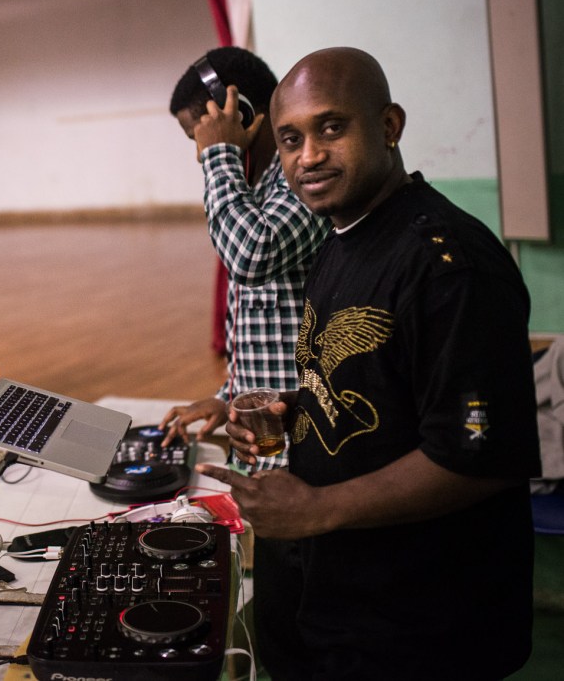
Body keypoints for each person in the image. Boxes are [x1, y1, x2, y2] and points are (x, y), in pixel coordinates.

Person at [201, 47, 541, 680]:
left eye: (331, 128)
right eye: (291, 139)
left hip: (420, 626)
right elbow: (382, 385)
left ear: (389, 126)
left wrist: (316, 509)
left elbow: (480, 457)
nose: (308, 156)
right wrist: (295, 408)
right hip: (342, 596)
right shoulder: (342, 237)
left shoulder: (450, 267)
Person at [158, 47, 328, 680]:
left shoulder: (298, 181)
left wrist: (218, 156)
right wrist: (227, 395)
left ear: (240, 111)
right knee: (279, 616)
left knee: (305, 621)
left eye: (197, 132)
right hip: (271, 443)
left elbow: (250, 256)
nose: (198, 149)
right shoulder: (258, 189)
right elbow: (261, 321)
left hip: (309, 453)